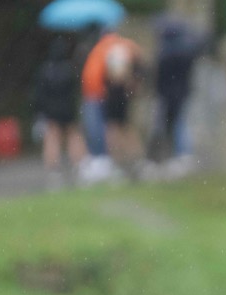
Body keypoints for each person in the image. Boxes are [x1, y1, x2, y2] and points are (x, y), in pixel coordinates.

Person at [79, 30, 142, 183]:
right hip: (111, 95)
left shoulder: (111, 50)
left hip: (109, 96)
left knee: (114, 130)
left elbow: (118, 76)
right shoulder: (121, 47)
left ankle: (121, 162)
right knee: (122, 128)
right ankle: (133, 162)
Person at [148, 21, 209, 177]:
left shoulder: (166, 52)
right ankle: (180, 156)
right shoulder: (186, 50)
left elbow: (160, 77)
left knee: (171, 126)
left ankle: (172, 157)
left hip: (168, 95)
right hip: (182, 92)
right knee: (179, 124)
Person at [32, 36, 85, 188]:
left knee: (52, 138)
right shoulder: (69, 69)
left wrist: (40, 111)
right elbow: (75, 91)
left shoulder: (45, 70)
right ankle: (79, 166)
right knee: (73, 136)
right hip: (68, 109)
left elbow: (39, 94)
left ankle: (54, 171)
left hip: (51, 110)